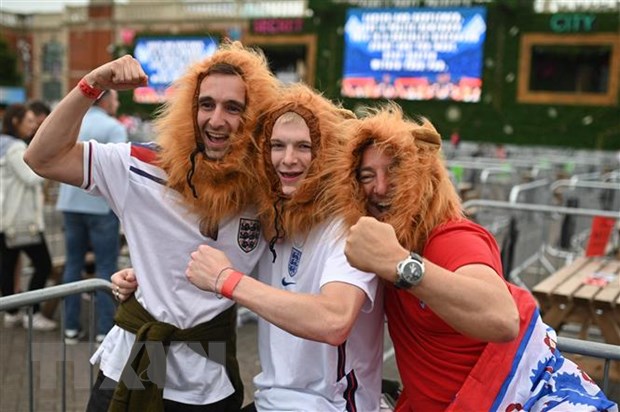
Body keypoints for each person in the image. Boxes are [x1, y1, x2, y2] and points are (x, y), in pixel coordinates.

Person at [24, 41, 279, 411]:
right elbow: (42, 157)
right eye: (205, 104)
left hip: (206, 373)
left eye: (233, 108)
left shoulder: (267, 192)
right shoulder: (142, 167)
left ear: (254, 116)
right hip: (137, 362)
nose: (216, 119)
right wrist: (93, 83)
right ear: (188, 109)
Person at [323, 103, 617, 411]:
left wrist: (400, 264)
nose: (379, 187)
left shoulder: (453, 237)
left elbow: (502, 319)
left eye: (394, 170)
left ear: (423, 177)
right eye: (367, 175)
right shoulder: (374, 241)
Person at [184, 84, 384, 411]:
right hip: (270, 401)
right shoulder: (273, 216)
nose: (288, 160)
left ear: (326, 152)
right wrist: (145, 278)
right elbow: (215, 261)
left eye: (303, 146)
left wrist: (228, 281)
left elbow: (334, 320)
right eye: (277, 146)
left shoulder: (349, 225)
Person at [55, 89, 127, 345]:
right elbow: (122, 170)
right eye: (116, 98)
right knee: (106, 267)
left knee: (73, 265)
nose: (117, 103)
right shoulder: (113, 127)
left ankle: (71, 328)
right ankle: (104, 330)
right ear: (106, 100)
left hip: (70, 205)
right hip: (101, 207)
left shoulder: (74, 123)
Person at [0, 104, 57, 331]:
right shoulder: (15, 149)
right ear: (16, 121)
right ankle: (32, 313)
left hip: (8, 217)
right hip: (22, 219)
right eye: (29, 121)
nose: (33, 126)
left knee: (8, 264)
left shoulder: (4, 144)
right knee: (44, 264)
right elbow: (32, 177)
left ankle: (12, 313)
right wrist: (51, 164)